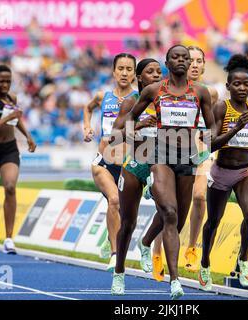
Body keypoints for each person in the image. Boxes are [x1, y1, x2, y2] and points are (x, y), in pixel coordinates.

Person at [120, 45, 216, 299]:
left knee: (178, 219)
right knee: (170, 213)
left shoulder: (201, 92)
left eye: (186, 57)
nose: (182, 61)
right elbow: (130, 117)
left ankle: (145, 241)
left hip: (186, 159)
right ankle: (175, 281)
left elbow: (212, 127)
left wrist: (207, 142)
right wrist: (132, 131)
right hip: (160, 156)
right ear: (168, 62)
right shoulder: (154, 90)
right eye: (177, 57)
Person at [199, 54, 248, 291]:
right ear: (228, 86)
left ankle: (243, 259)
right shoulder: (220, 108)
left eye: (246, 84)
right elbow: (211, 144)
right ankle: (205, 263)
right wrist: (237, 127)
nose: (242, 88)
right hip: (221, 171)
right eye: (237, 84)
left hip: (245, 171)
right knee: (213, 222)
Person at [149, 46, 219, 278]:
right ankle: (157, 251)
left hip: (201, 153)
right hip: (172, 153)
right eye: (193, 60)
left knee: (200, 196)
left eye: (200, 61)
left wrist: (210, 147)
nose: (196, 65)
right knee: (169, 209)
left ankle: (191, 247)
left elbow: (213, 125)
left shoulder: (209, 92)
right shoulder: (165, 90)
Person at [110, 58, 162, 295]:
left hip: (160, 165)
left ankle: (146, 242)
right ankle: (119, 273)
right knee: (128, 223)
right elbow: (115, 137)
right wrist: (139, 127)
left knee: (171, 212)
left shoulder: (167, 102)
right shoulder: (131, 103)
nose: (156, 75)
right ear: (139, 77)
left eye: (159, 72)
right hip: (134, 165)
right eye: (150, 72)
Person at [83, 53, 137, 272]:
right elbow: (87, 108)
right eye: (120, 68)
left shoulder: (140, 98)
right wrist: (87, 127)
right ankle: (115, 255)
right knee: (114, 200)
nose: (124, 73)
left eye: (129, 69)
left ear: (135, 73)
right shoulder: (102, 96)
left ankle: (110, 239)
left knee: (122, 211)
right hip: (103, 162)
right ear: (114, 71)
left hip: (128, 165)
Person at [0, 64, 36, 254]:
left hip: (9, 149)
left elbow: (16, 119)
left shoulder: (13, 98)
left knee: (10, 187)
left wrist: (27, 135)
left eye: (8, 81)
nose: (5, 84)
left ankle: (9, 239)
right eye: (1, 81)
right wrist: (6, 117)